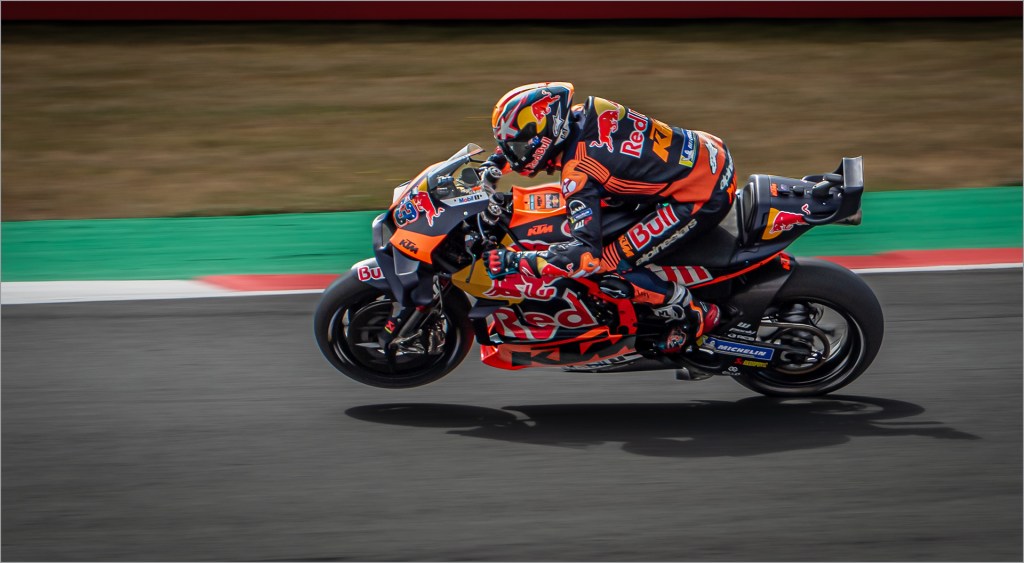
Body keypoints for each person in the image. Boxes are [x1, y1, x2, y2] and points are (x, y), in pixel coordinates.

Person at [482, 81, 736, 353]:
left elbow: (585, 256)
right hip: (709, 151)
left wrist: (517, 260)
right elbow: (544, 146)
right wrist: (495, 163)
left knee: (608, 264)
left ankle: (694, 311)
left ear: (547, 133)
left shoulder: (579, 172)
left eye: (518, 146)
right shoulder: (582, 113)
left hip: (701, 196)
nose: (515, 154)